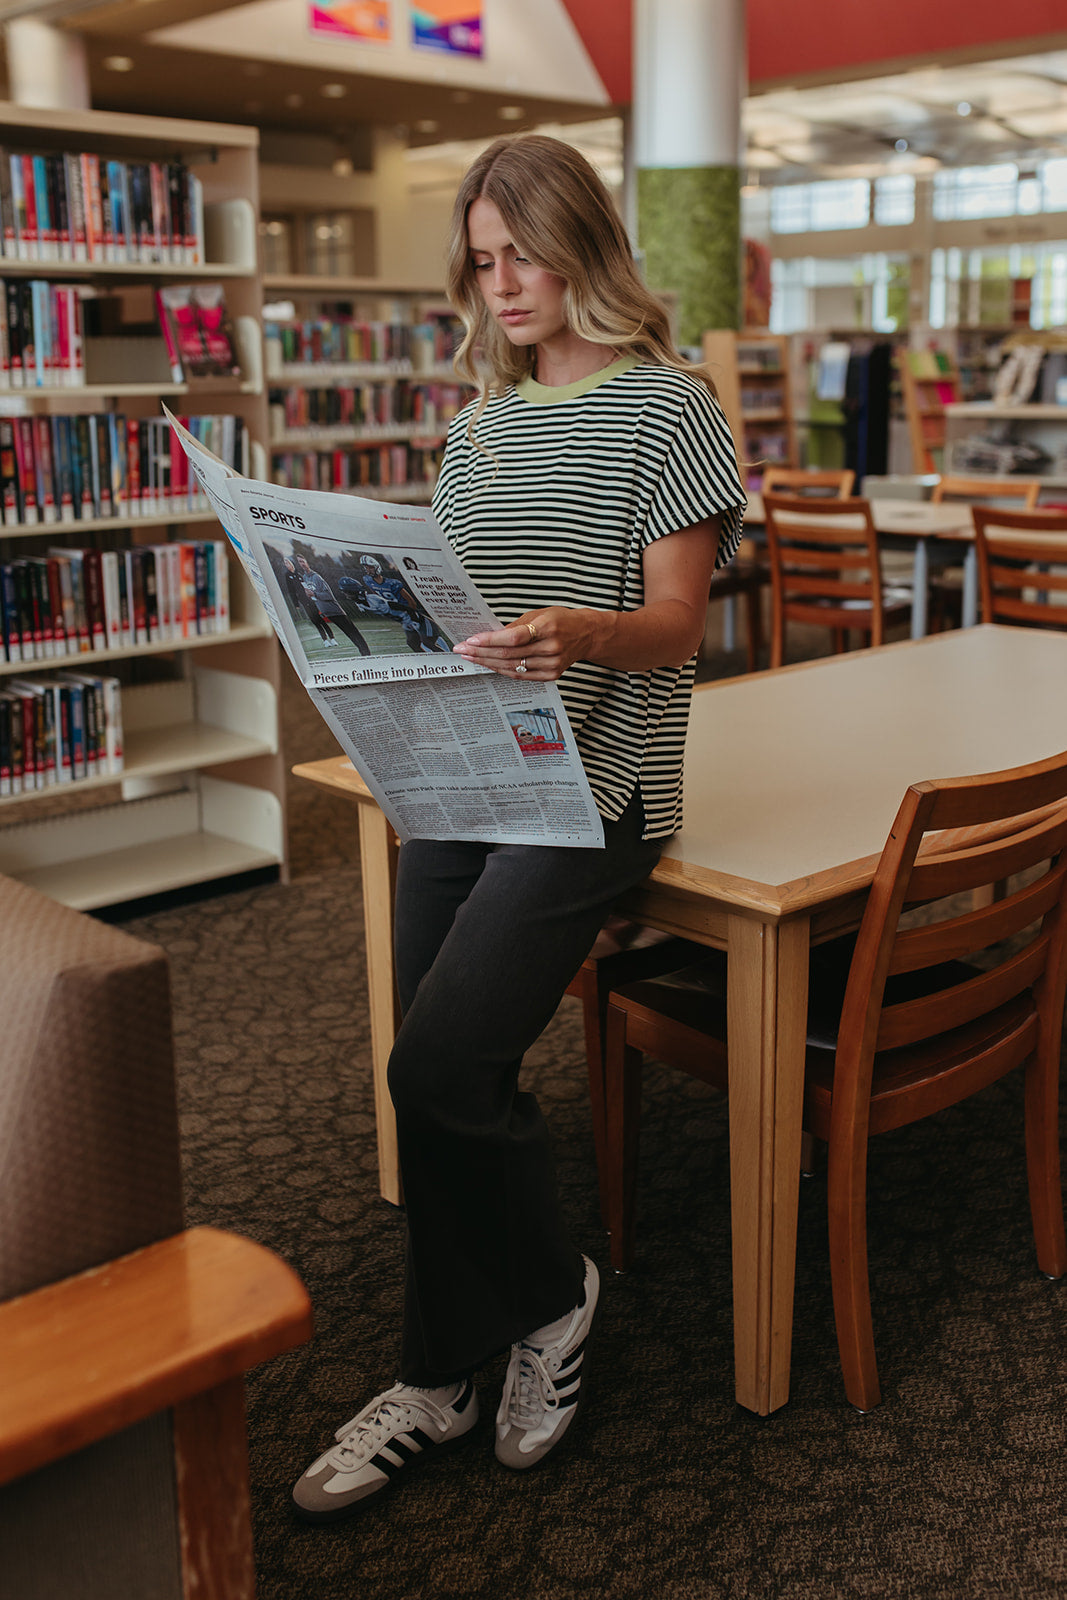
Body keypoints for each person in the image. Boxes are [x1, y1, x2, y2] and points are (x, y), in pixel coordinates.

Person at [292, 132, 746, 1524]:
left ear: (580, 244)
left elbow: (677, 630)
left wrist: (574, 636)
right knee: (432, 1077)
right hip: (466, 778)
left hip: (594, 792)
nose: (498, 283)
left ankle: (552, 1301)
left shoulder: (666, 409)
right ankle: (443, 1373)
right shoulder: (471, 426)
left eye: (519, 254)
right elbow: (455, 614)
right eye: (479, 262)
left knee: (433, 1065)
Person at [296, 555, 372, 655]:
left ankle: (366, 654)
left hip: (335, 611)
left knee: (353, 633)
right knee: (349, 634)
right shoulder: (305, 578)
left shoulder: (316, 577)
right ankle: (364, 653)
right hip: (327, 613)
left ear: (306, 562)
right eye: (299, 562)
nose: (301, 564)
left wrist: (314, 594)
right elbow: (314, 596)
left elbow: (329, 595)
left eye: (302, 561)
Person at [283, 555, 334, 643]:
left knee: (319, 618)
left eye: (288, 562)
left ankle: (332, 638)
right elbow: (291, 591)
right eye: (285, 563)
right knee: (314, 620)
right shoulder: (287, 576)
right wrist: (296, 604)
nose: (287, 564)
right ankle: (325, 640)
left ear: (292, 564)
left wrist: (314, 596)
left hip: (311, 599)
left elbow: (308, 587)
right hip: (303, 601)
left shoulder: (299, 575)